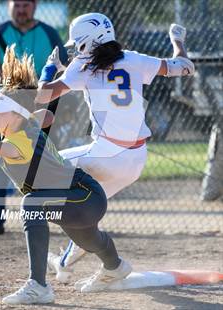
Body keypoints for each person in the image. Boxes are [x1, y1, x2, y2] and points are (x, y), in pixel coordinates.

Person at [0, 46, 131, 304]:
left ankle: (38, 286)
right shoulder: (26, 125)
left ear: (15, 115)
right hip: (77, 199)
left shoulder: (20, 141)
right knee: (88, 238)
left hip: (83, 197)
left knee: (31, 204)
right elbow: (44, 114)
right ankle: (116, 267)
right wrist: (46, 73)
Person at [36, 13, 195, 285]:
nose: (75, 48)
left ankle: (58, 259)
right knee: (84, 214)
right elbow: (185, 66)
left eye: (78, 43)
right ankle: (83, 266)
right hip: (135, 160)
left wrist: (50, 68)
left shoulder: (82, 65)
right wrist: (176, 41)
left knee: (43, 170)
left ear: (89, 41)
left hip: (106, 156)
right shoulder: (133, 59)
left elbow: (42, 95)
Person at [0, 0, 67, 235]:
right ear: (9, 6)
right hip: (1, 109)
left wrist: (34, 96)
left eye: (26, 5)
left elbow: (64, 68)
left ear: (34, 6)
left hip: (38, 110)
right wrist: (20, 91)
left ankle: (55, 217)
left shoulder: (48, 33)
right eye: (17, 5)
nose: (21, 9)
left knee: (43, 162)